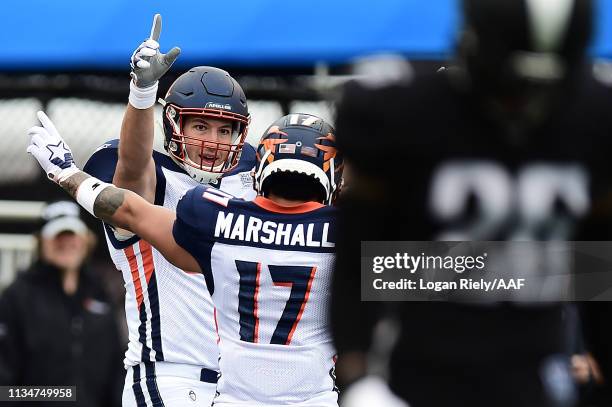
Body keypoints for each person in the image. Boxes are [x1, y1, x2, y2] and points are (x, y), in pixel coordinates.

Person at [331, 0, 612, 406]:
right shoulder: (407, 114)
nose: (526, 102)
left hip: (534, 377)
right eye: (513, 84)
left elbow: (599, 273)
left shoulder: (593, 122)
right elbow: (358, 264)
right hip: (417, 376)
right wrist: (359, 379)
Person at [27, 111, 343, 406]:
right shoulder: (349, 233)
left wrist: (66, 173)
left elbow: (129, 210)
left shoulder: (219, 220)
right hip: (314, 399)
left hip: (235, 398)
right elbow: (389, 291)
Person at [82, 15, 257, 406]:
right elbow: (130, 167)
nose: (213, 141)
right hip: (171, 377)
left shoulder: (250, 185)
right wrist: (143, 93)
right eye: (201, 126)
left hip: (243, 386)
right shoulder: (157, 179)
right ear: (174, 123)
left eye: (224, 130)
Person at [0, 201, 123, 407]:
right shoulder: (17, 297)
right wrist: (61, 396)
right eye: (58, 236)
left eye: (72, 235)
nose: (66, 243)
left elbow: (116, 375)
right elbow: (5, 390)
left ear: (86, 240)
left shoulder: (101, 294)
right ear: (41, 242)